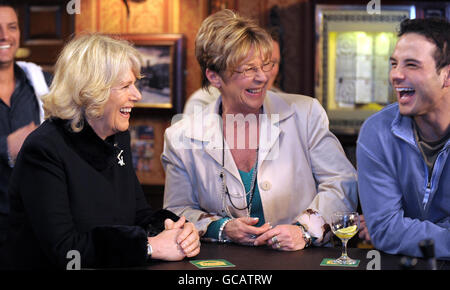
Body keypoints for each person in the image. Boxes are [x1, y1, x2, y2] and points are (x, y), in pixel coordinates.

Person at [162, 9, 358, 251]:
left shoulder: (306, 113)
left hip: (304, 261)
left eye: (266, 65)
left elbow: (341, 183)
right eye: (247, 69)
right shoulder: (180, 136)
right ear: (214, 76)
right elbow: (177, 210)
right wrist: (222, 228)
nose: (262, 77)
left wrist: (304, 231)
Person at [0, 34, 200, 269]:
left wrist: (176, 228)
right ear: (91, 92)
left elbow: (138, 214)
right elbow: (66, 251)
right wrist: (149, 247)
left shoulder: (116, 136)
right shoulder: (43, 149)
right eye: (126, 86)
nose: (137, 95)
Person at [357, 18, 450, 259]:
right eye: (394, 64)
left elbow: (392, 230)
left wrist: (404, 228)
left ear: (447, 76)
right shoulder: (376, 131)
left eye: (412, 65)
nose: (396, 75)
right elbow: (386, 230)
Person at [0, 1, 52, 245]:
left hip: (35, 223)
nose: (4, 36)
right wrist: (5, 147)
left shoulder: (41, 82)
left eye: (12, 27)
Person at [183, 27, 282, 115]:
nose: (264, 76)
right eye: (249, 68)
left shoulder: (286, 103)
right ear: (214, 77)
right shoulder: (201, 103)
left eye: (270, 63)